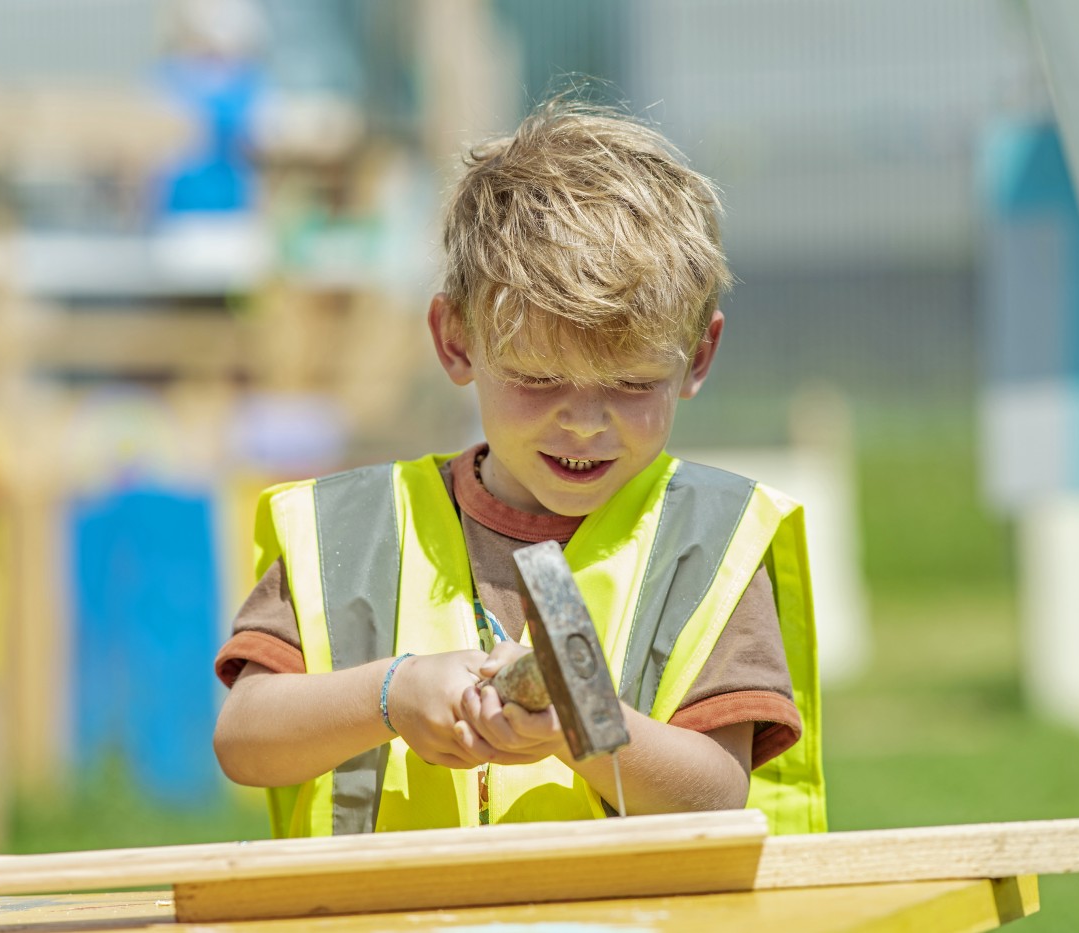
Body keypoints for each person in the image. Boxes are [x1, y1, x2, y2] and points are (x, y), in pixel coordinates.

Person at [212, 95, 825, 837]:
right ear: (456, 342)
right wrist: (391, 693)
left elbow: (715, 792)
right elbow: (245, 739)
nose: (584, 419)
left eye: (632, 384)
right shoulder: (348, 533)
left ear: (696, 357)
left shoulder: (709, 548)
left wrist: (583, 724)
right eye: (538, 379)